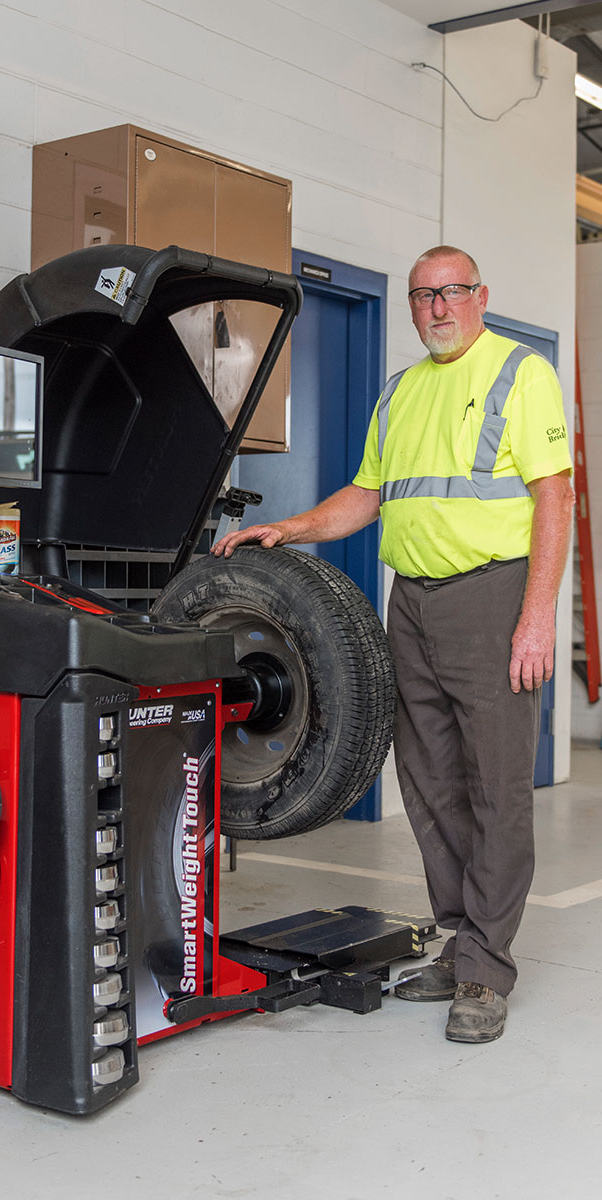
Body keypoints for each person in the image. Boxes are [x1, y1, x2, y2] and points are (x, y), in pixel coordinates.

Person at [212, 245, 574, 1044]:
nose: (438, 308)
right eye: (423, 296)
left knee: (497, 783)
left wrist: (539, 614)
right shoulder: (402, 392)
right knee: (431, 779)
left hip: (493, 595)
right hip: (411, 600)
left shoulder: (521, 373)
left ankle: (486, 968)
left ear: (481, 295)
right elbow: (368, 496)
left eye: (452, 293)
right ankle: (459, 937)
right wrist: (292, 529)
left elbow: (556, 496)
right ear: (412, 308)